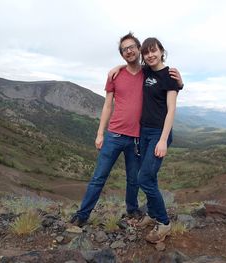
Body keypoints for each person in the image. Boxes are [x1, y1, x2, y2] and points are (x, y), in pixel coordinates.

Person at [70, 33, 182, 227]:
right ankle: (82, 215)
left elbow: (167, 82)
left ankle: (132, 209)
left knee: (134, 180)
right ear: (121, 54)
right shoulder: (114, 75)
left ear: (138, 49)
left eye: (132, 47)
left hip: (137, 138)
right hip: (113, 135)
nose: (129, 51)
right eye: (124, 49)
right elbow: (107, 106)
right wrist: (99, 133)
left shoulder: (148, 73)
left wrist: (180, 82)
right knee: (98, 178)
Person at [134, 37, 183, 243]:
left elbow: (171, 109)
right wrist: (116, 68)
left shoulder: (169, 75)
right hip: (143, 131)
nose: (150, 55)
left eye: (153, 51)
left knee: (143, 178)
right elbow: (131, 65)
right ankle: (153, 214)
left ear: (162, 51)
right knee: (150, 176)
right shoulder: (146, 72)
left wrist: (163, 140)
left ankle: (164, 222)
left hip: (158, 133)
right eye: (146, 52)